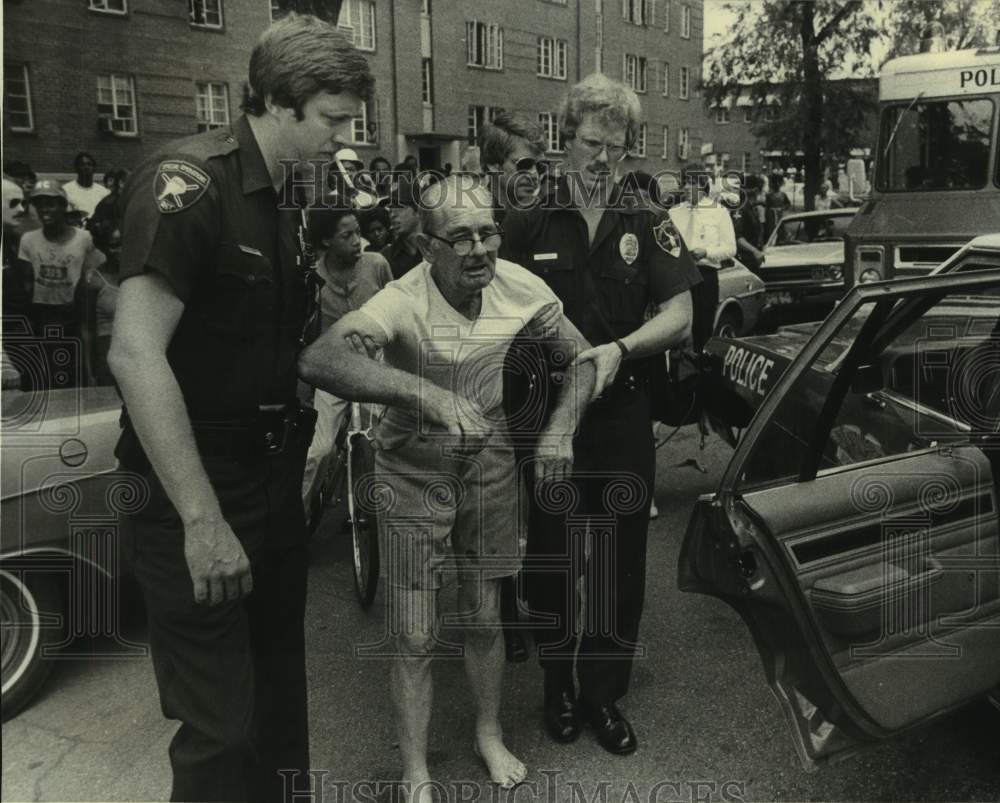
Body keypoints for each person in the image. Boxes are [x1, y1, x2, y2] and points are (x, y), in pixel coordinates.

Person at [107, 14, 374, 802]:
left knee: (281, 711)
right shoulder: (189, 186)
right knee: (221, 732)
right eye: (332, 120)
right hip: (195, 490)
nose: (343, 137)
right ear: (279, 104)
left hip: (271, 479)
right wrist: (202, 521)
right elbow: (134, 352)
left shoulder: (298, 196)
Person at [300, 174, 600, 800]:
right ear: (427, 247)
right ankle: (416, 771)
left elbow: (584, 358)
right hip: (411, 462)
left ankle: (488, 734)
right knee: (414, 631)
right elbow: (321, 359)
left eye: (488, 232)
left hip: (488, 455)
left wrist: (560, 430)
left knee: (486, 617)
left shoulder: (519, 286)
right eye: (460, 238)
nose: (480, 250)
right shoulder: (401, 300)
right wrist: (426, 394)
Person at [501, 73, 700, 755]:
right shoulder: (527, 218)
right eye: (591, 143)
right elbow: (493, 310)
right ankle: (556, 685)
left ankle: (602, 694)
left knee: (618, 560)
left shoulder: (647, 218)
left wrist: (620, 348)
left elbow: (681, 313)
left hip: (619, 413)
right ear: (566, 137)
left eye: (615, 148)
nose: (601, 160)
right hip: (547, 413)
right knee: (553, 555)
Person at [300, 204, 392, 513]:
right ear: (326, 241)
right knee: (318, 451)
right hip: (333, 370)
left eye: (358, 233)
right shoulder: (313, 277)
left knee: (386, 442)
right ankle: (297, 520)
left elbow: (395, 314)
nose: (357, 241)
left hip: (375, 366)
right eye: (347, 235)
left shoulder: (376, 264)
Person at [17, 179, 106, 387]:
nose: (44, 210)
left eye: (51, 203)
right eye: (39, 204)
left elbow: (98, 273)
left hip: (75, 313)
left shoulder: (85, 239)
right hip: (44, 314)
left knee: (77, 371)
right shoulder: (28, 240)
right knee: (49, 372)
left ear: (64, 206)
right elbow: (26, 283)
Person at [480, 111, 546, 224]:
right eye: (524, 164)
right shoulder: (476, 218)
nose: (534, 174)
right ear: (493, 165)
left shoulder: (543, 217)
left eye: (540, 166)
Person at [381, 176, 423, 279]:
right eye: (390, 208)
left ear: (418, 211)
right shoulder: (385, 258)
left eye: (399, 207)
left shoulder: (437, 250)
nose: (392, 215)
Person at [63, 151, 110, 218]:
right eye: (82, 165)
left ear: (94, 168)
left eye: (89, 164)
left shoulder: (104, 192)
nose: (86, 167)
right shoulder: (66, 190)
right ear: (76, 168)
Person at [764, 170, 791, 240]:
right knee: (771, 229)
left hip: (780, 214)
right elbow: (766, 205)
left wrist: (783, 208)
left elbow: (788, 204)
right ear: (772, 183)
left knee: (780, 228)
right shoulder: (769, 195)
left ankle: (781, 239)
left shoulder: (783, 194)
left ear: (781, 183)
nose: (777, 184)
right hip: (771, 215)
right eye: (775, 182)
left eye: (779, 182)